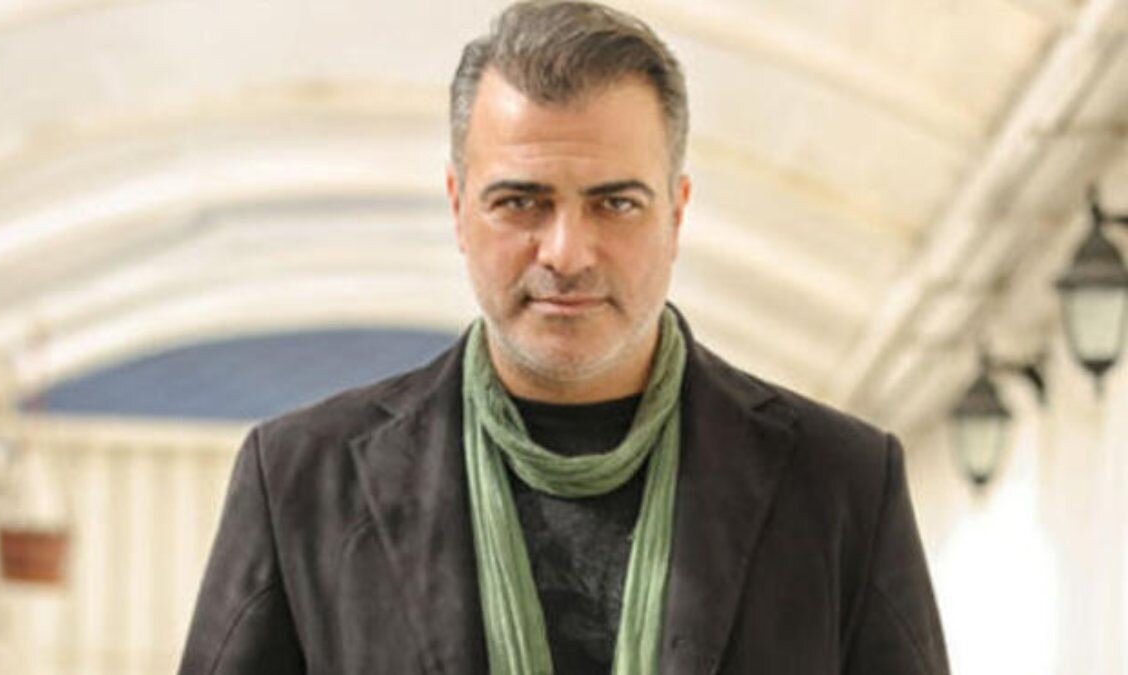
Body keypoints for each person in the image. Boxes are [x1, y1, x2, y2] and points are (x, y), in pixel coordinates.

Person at [178, 2, 950, 673]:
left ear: (677, 214)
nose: (567, 252)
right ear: (458, 207)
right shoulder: (302, 483)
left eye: (615, 203)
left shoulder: (841, 486)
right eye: (521, 202)